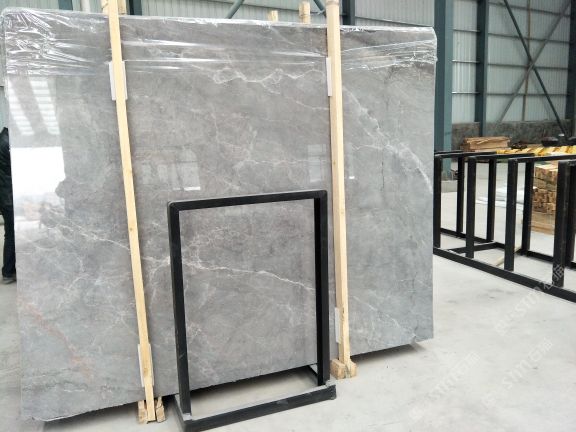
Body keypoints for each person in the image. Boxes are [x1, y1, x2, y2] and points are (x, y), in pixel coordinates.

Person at [0, 127, 15, 284]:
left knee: (10, 233)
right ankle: (8, 272)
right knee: (11, 234)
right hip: (9, 198)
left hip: (6, 196)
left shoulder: (4, 138)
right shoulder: (7, 141)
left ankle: (10, 270)